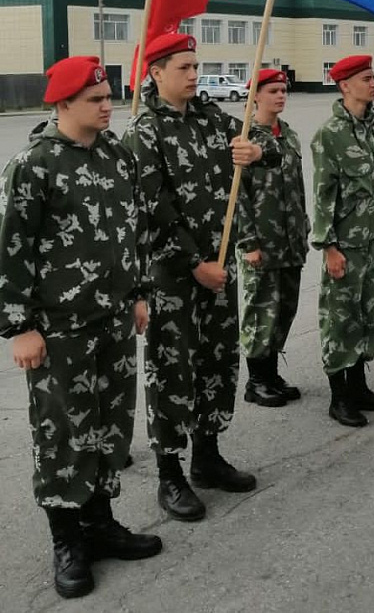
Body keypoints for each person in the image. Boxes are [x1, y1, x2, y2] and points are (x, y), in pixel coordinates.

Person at [1, 57, 162, 599]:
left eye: (108, 95)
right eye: (95, 99)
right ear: (63, 103)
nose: (107, 104)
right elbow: (10, 250)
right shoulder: (34, 165)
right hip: (60, 328)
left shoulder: (117, 154)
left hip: (113, 320)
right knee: (64, 433)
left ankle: (100, 522)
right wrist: (19, 326)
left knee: (111, 423)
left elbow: (131, 229)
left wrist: (137, 293)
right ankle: (67, 538)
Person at [124, 33, 274, 522]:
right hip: (174, 273)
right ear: (157, 73)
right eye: (184, 67)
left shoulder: (211, 119)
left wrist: (255, 153)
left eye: (195, 65)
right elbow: (155, 208)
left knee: (216, 360)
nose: (193, 74)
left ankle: (207, 456)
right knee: (173, 370)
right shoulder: (144, 132)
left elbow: (263, 141)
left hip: (217, 266)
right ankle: (170, 473)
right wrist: (195, 264)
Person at [311, 55, 374, 427]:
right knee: (339, 321)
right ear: (345, 85)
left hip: (373, 244)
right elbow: (323, 195)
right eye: (365, 78)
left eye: (373, 77)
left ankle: (359, 388)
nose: (373, 83)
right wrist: (329, 247)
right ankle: (339, 398)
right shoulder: (330, 134)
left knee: (366, 318)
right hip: (344, 246)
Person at [237, 69, 309, 408]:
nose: (280, 96)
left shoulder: (289, 136)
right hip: (262, 243)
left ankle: (271, 375)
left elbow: (297, 187)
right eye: (273, 91)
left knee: (284, 310)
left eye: (283, 90)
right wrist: (248, 243)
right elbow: (237, 197)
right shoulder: (246, 138)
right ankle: (256, 380)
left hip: (290, 240)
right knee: (260, 312)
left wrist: (304, 228)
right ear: (256, 97)